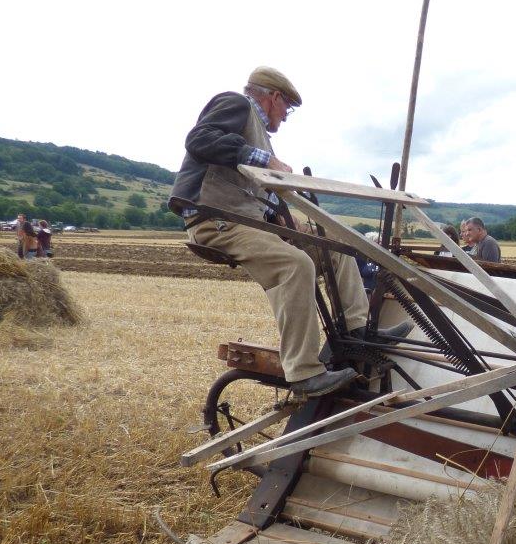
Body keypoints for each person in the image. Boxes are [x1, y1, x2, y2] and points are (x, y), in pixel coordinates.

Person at [168, 66, 409, 398]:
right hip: (215, 220)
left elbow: (247, 194)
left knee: (335, 249)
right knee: (295, 265)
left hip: (245, 220)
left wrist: (281, 219)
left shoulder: (258, 133)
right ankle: (304, 374)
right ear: (273, 97)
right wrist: (264, 160)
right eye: (287, 109)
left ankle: (358, 330)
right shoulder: (236, 104)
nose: (284, 118)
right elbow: (199, 140)